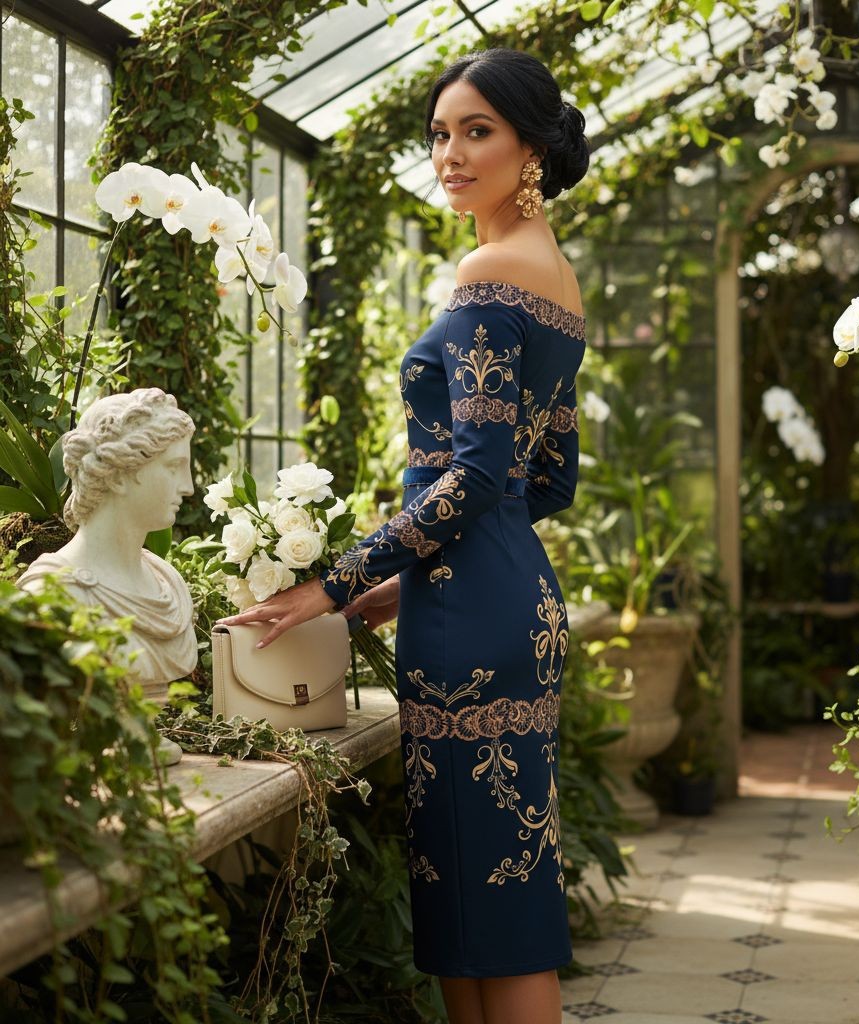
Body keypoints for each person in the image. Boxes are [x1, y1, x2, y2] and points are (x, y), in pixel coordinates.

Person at [218, 47, 589, 1024]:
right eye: (440, 133)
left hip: (470, 625)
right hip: (510, 607)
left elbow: (475, 474)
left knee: (489, 906)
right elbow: (547, 478)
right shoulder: (558, 278)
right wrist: (408, 576)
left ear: (532, 148)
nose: (451, 153)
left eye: (478, 132)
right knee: (481, 892)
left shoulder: (488, 271)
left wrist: (331, 585)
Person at [19, 388, 198, 763]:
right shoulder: (53, 593)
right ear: (117, 475)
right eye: (172, 467)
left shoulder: (169, 584)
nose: (188, 486)